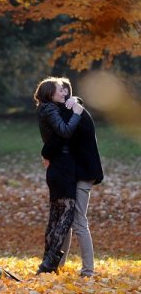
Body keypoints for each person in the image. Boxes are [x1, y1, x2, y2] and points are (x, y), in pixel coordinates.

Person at [41, 77, 103, 277]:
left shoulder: (76, 112)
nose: (65, 94)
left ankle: (88, 270)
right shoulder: (69, 111)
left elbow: (62, 136)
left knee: (77, 221)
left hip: (84, 173)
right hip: (73, 172)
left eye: (66, 92)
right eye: (62, 91)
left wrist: (46, 153)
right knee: (66, 221)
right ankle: (59, 265)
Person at [33, 77, 84, 274]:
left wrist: (76, 102)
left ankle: (47, 261)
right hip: (62, 166)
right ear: (49, 93)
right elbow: (65, 131)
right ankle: (50, 262)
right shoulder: (50, 110)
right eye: (60, 90)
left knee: (55, 216)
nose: (65, 93)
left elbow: (56, 133)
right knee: (67, 214)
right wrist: (78, 114)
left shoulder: (47, 108)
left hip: (56, 165)